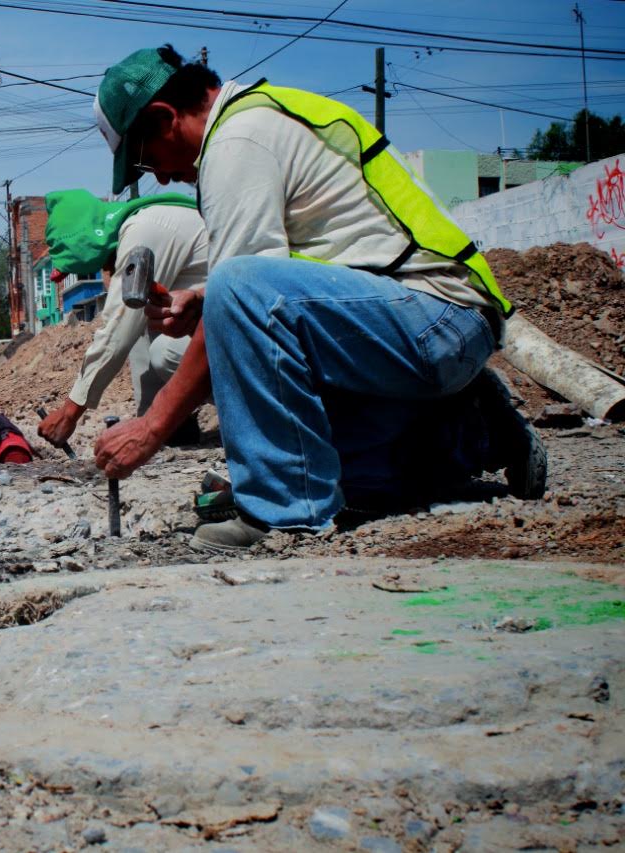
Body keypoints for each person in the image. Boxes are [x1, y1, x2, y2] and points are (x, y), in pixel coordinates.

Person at [90, 45, 546, 551]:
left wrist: (151, 427)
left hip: (435, 314)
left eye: (148, 159)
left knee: (236, 291)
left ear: (164, 117)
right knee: (356, 482)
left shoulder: (237, 139)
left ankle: (285, 509)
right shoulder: (254, 121)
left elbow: (246, 286)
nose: (160, 177)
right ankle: (477, 428)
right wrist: (204, 300)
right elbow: (314, 268)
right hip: (430, 323)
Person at [37, 189, 209, 449]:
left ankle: (256, 417)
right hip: (222, 324)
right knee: (145, 316)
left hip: (250, 333)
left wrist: (69, 413)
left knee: (166, 352)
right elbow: (133, 327)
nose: (106, 272)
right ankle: (170, 427)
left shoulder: (144, 231)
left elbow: (117, 332)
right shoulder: (140, 224)